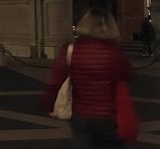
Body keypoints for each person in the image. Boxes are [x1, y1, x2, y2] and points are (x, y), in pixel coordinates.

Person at [42, 8, 133, 148]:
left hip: (80, 115)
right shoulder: (114, 51)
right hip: (109, 115)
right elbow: (127, 74)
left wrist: (49, 102)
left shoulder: (70, 50)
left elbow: (56, 80)